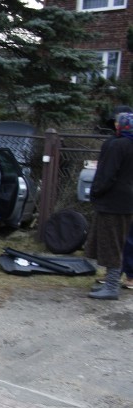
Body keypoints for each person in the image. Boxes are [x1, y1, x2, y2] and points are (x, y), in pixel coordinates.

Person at [84, 112, 133, 300]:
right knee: (120, 242)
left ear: (120, 126)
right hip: (127, 202)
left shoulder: (117, 145)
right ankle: (113, 282)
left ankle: (112, 286)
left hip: (112, 202)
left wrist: (95, 192)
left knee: (111, 243)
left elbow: (107, 174)